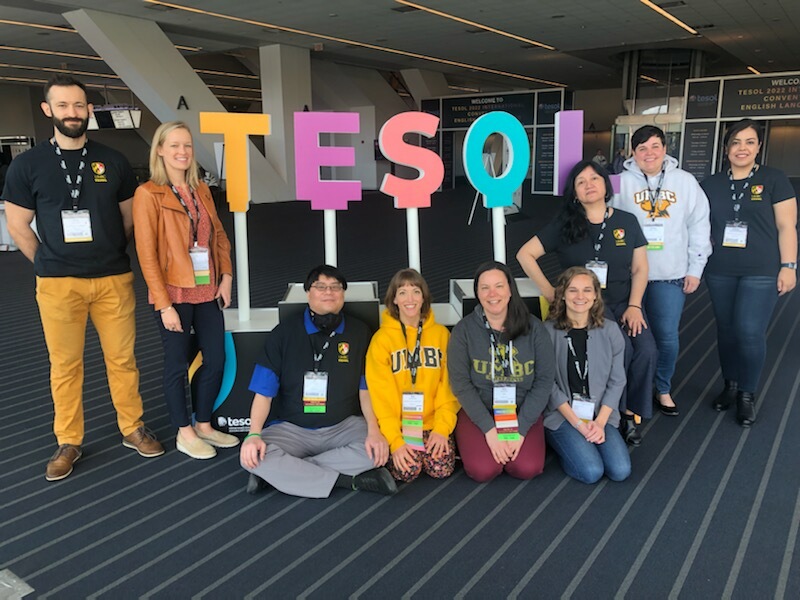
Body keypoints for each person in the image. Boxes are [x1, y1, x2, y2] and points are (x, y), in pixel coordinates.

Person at [1, 75, 164, 481]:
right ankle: (68, 439)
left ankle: (132, 427)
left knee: (123, 360)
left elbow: (128, 216)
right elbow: (18, 224)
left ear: (89, 109)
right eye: (63, 106)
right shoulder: (27, 164)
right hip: (58, 284)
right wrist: (47, 261)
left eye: (79, 105)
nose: (72, 113)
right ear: (48, 110)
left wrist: (108, 248)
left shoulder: (114, 160)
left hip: (112, 279)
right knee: (65, 365)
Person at [516, 160, 657, 446]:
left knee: (648, 350)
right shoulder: (564, 224)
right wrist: (549, 291)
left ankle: (630, 411)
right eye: (581, 182)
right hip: (582, 309)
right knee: (624, 350)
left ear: (606, 185)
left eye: (594, 179)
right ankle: (615, 415)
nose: (589, 185)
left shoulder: (626, 221)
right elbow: (524, 255)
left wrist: (635, 306)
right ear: (575, 192)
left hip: (620, 304)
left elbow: (641, 268)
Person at [240, 265, 396, 498]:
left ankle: (287, 472)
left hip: (343, 427)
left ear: (343, 294)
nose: (328, 292)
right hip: (293, 430)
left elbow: (366, 390)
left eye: (335, 287)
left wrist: (374, 430)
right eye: (320, 286)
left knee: (378, 449)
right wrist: (253, 435)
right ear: (308, 293)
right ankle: (347, 481)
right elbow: (263, 393)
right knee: (251, 455)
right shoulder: (283, 334)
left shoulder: (360, 332)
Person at [133, 121, 238, 459]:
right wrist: (164, 306)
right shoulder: (148, 193)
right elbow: (146, 255)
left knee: (217, 359)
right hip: (174, 294)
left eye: (187, 146)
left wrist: (226, 277)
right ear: (160, 150)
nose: (182, 152)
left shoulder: (201, 189)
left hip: (207, 290)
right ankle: (185, 432)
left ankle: (204, 423)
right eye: (174, 145)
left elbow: (218, 236)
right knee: (176, 365)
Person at [700, 119, 797, 427]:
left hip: (762, 269)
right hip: (721, 269)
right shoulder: (710, 184)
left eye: (750, 142)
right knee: (726, 331)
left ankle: (747, 394)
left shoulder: (774, 179)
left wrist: (789, 266)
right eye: (736, 142)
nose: (742, 148)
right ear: (726, 148)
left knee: (749, 331)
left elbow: (787, 227)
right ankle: (729, 385)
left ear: (758, 147)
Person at [613, 125, 711, 416]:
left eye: (655, 146)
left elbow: (700, 225)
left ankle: (662, 387)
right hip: (628, 276)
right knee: (627, 338)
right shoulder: (619, 183)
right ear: (633, 152)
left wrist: (696, 267)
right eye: (642, 148)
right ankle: (627, 390)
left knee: (666, 336)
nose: (649, 153)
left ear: (665, 149)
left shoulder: (685, 182)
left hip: (670, 274)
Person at [448, 261, 555, 482]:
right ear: (477, 293)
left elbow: (544, 382)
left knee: (527, 467)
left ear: (510, 290)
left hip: (522, 409)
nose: (492, 294)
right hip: (480, 410)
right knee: (484, 470)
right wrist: (489, 430)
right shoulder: (464, 330)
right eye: (484, 288)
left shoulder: (534, 328)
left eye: (499, 286)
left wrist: (522, 429)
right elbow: (460, 384)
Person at [366, 269, 460, 483]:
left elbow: (450, 387)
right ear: (394, 300)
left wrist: (442, 429)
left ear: (424, 297)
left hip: (433, 423)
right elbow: (380, 396)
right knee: (406, 471)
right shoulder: (381, 340)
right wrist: (395, 441)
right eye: (402, 293)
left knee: (441, 469)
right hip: (400, 426)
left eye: (416, 292)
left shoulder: (442, 335)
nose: (410, 299)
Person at [543, 267, 630, 484]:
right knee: (591, 472)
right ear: (562, 294)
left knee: (620, 470)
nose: (580, 297)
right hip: (563, 415)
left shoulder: (610, 331)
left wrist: (600, 423)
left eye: (586, 290)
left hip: (601, 413)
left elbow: (617, 380)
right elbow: (547, 384)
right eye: (573, 290)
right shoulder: (547, 332)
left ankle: (584, 441)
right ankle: (566, 445)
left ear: (595, 296)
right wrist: (579, 425)